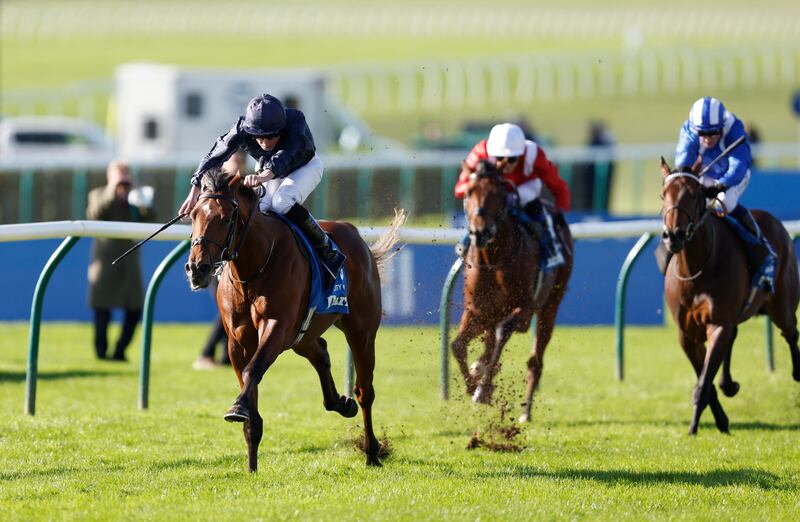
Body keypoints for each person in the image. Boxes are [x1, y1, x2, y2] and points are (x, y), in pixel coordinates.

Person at [178, 93, 344, 286]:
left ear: (281, 128)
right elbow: (214, 156)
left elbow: (285, 156)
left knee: (281, 202)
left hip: (304, 167)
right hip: (267, 170)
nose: (265, 143)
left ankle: (327, 249)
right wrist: (194, 190)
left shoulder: (296, 121)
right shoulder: (241, 128)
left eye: (271, 136)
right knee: (260, 211)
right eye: (259, 137)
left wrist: (262, 176)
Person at [673, 96, 776, 291]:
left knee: (725, 202)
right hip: (705, 176)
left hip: (733, 177)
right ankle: (667, 252)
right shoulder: (689, 130)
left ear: (721, 127)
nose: (708, 138)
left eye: (713, 133)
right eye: (703, 133)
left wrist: (722, 184)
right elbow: (684, 161)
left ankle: (764, 253)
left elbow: (739, 164)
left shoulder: (734, 128)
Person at [454, 122, 571, 271]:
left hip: (524, 189)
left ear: (521, 153)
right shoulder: (480, 152)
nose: (505, 164)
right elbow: (459, 188)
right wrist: (475, 188)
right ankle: (468, 238)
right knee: (480, 204)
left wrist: (560, 209)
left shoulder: (534, 154)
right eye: (499, 157)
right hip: (493, 193)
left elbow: (557, 184)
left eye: (512, 159)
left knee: (532, 205)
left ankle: (550, 248)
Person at [86, 160, 153, 361]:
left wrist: (140, 201)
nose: (123, 180)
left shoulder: (136, 196)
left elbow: (150, 218)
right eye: (119, 175)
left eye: (126, 175)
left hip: (130, 264)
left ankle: (120, 350)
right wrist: (112, 191)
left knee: (135, 308)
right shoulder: (98, 194)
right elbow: (94, 214)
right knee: (102, 309)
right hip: (105, 262)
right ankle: (101, 352)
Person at [193, 152, 246, 370]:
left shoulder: (243, 188)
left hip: (233, 259)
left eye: (242, 162)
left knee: (231, 309)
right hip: (215, 260)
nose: (239, 166)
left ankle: (225, 355)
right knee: (227, 308)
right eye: (236, 162)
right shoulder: (212, 188)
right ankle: (206, 353)